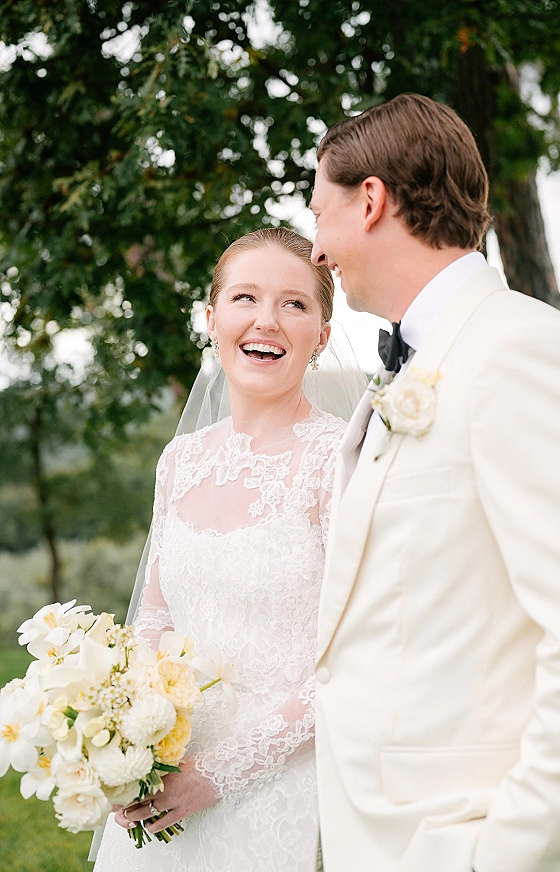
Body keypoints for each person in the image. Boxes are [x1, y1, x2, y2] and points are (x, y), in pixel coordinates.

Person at [309, 93, 560, 872]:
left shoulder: (518, 351)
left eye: (319, 215)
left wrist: (506, 854)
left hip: (461, 838)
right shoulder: (405, 371)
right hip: (379, 838)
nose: (318, 253)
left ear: (370, 201)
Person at [93, 227, 359, 871]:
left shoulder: (340, 459)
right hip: (167, 775)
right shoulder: (180, 460)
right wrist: (138, 736)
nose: (266, 320)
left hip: (288, 789)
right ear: (211, 318)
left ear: (322, 334)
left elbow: (354, 656)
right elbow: (154, 616)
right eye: (245, 297)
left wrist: (218, 775)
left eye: (294, 304)